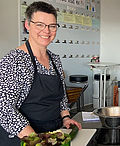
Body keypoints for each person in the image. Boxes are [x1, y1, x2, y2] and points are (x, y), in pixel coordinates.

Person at [0, 1, 81, 145]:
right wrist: (37, 140)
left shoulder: (55, 60)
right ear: (27, 25)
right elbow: (5, 109)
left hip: (52, 134)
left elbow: (61, 97)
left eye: (52, 26)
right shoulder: (14, 61)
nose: (47, 31)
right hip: (24, 139)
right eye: (40, 25)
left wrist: (66, 118)